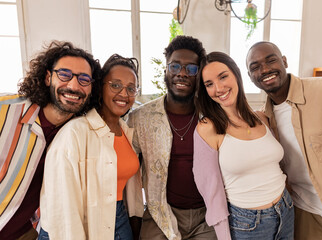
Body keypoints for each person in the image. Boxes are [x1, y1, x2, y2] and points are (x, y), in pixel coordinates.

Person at [246, 41, 322, 240]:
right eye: (255, 67)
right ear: (250, 77)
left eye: (271, 60)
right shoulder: (265, 121)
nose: (264, 69)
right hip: (306, 215)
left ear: (284, 61)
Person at [0, 41, 101, 240]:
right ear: (48, 77)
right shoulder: (5, 110)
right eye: (64, 74)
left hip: (28, 233)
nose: (73, 86)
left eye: (84, 79)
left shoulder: (78, 132)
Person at [38, 54, 144, 240]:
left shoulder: (126, 131)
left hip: (118, 218)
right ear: (99, 87)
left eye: (131, 88)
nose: (124, 94)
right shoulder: (75, 132)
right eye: (115, 85)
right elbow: (63, 210)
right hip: (76, 226)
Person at [193, 51, 294, 240]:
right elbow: (209, 190)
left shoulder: (262, 117)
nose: (219, 88)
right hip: (247, 223)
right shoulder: (207, 128)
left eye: (223, 77)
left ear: (236, 75)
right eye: (209, 84)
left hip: (285, 209)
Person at [127, 35, 216, 240]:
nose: (182, 74)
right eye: (175, 66)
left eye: (191, 69)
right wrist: (135, 218)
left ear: (199, 75)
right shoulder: (140, 118)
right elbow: (130, 175)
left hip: (206, 217)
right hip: (160, 213)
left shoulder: (213, 115)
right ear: (166, 70)